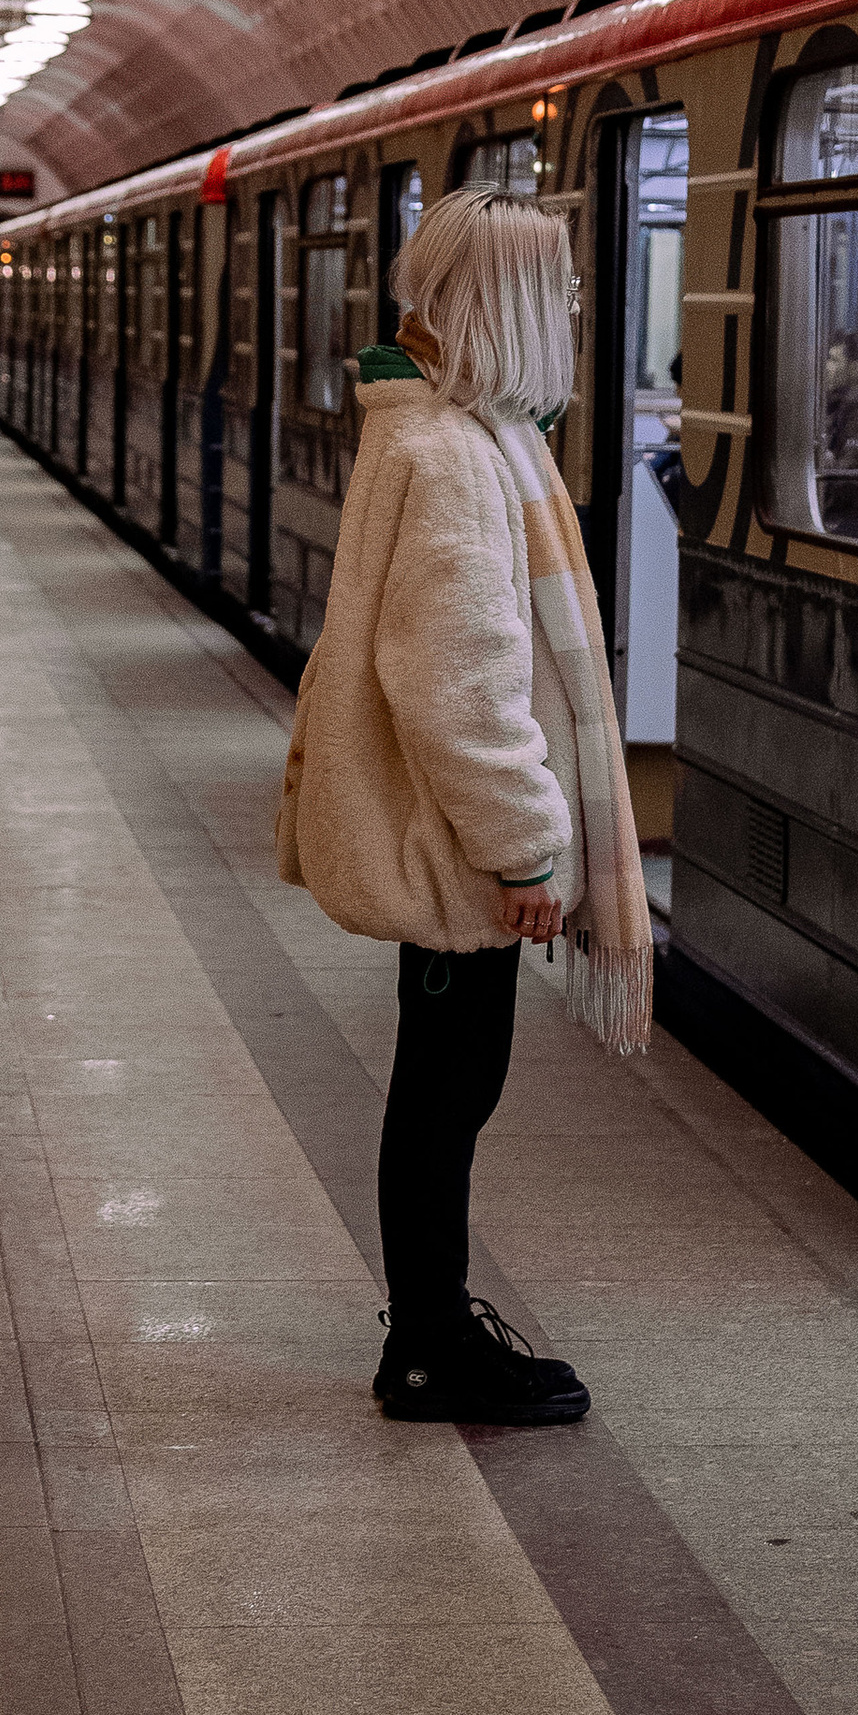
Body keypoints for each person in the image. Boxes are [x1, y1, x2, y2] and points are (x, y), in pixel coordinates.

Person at [277, 190, 653, 1427]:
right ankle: (430, 1345)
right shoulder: (452, 456)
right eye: (565, 292)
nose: (579, 311)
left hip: (443, 832)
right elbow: (458, 682)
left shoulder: (433, 432)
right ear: (513, 306)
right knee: (447, 1092)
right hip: (454, 844)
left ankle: (433, 1331)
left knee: (446, 1088)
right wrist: (521, 844)